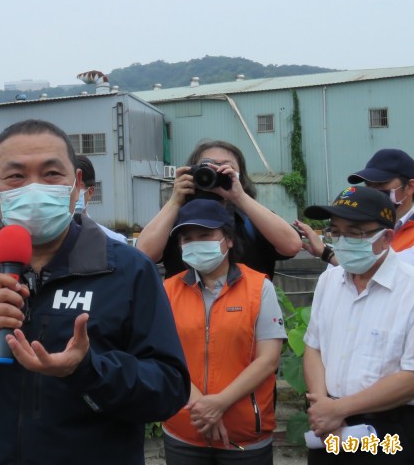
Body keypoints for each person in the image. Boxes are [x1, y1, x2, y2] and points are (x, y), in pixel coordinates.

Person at [0, 119, 190, 465]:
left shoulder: (128, 269)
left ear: (76, 185)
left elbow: (169, 389)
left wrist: (88, 369)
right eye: (16, 176)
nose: (34, 188)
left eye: (51, 174)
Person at [162, 199, 286, 464]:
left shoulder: (258, 288)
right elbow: (164, 355)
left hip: (243, 436)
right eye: (188, 238)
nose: (196, 243)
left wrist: (220, 403)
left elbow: (268, 359)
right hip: (184, 430)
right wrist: (203, 407)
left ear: (228, 240)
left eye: (205, 235)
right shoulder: (168, 291)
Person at [302, 186, 414, 463]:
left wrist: (338, 410)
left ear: (386, 237)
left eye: (355, 233)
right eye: (335, 231)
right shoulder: (330, 280)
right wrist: (322, 406)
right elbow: (313, 346)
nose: (342, 241)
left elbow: (411, 376)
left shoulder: (409, 288)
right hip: (327, 427)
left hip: (388, 430)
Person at [136, 139, 302, 280]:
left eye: (225, 167)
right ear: (193, 172)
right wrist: (174, 201)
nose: (215, 171)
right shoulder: (177, 219)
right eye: (207, 166)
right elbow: (143, 255)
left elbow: (292, 245)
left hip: (249, 312)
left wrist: (240, 197)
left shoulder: (252, 219)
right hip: (183, 312)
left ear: (240, 176)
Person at [297, 149, 414, 268]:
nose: (372, 192)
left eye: (381, 184)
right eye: (368, 185)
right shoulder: (355, 225)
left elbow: (392, 273)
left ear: (410, 187)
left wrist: (327, 254)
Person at [74, 154, 129, 243]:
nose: (72, 192)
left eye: (78, 186)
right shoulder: (48, 243)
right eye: (68, 186)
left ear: (90, 192)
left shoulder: (114, 241)